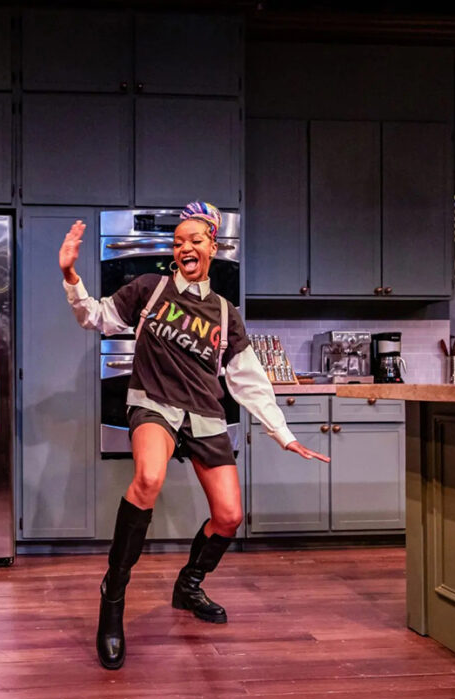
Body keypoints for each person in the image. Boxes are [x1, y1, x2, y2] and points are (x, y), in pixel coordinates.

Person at [59, 201, 329, 670]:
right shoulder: (150, 288)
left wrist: (282, 433)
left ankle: (188, 585)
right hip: (152, 401)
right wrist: (70, 276)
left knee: (229, 516)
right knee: (148, 478)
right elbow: (96, 317)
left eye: (194, 240)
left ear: (213, 247)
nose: (185, 246)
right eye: (178, 241)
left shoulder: (226, 313)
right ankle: (113, 598)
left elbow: (247, 380)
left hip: (204, 413)